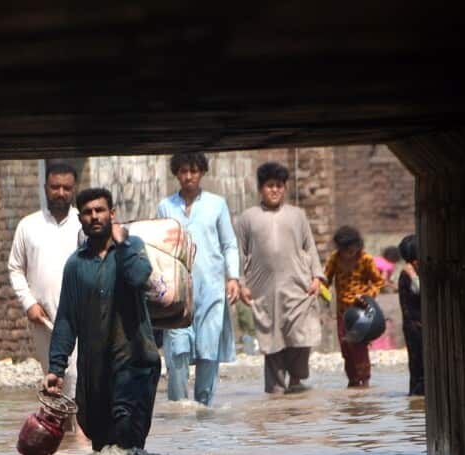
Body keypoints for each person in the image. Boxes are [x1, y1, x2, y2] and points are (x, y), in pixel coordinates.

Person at [44, 188, 162, 452]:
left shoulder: (132, 248)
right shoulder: (75, 265)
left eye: (99, 210)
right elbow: (66, 319)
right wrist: (56, 368)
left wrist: (124, 244)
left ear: (112, 214)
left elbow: (139, 277)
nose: (94, 217)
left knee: (126, 435)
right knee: (101, 446)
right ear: (80, 219)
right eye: (87, 212)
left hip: (135, 363)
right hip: (95, 371)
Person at [234, 162, 326, 394]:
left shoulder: (298, 215)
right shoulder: (247, 218)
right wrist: (241, 283)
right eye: (269, 186)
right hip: (263, 289)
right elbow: (239, 252)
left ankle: (296, 379)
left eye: (278, 186)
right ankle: (275, 387)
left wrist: (317, 276)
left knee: (300, 333)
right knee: (270, 336)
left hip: (297, 284)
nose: (274, 190)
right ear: (261, 189)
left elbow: (310, 247)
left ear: (285, 188)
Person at [157, 151, 240, 406]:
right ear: (176, 174)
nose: (188, 176)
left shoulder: (217, 204)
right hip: (177, 292)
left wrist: (233, 278)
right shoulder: (166, 207)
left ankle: (204, 410)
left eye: (193, 171)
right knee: (177, 352)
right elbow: (158, 245)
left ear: (202, 172)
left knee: (208, 352)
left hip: (212, 290)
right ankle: (178, 410)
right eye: (183, 171)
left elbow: (229, 244)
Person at [8, 161, 82, 382]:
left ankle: (78, 418)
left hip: (79, 319)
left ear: (73, 190)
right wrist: (28, 303)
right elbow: (15, 268)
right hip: (44, 320)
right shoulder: (28, 226)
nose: (61, 193)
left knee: (77, 378)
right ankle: (59, 418)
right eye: (55, 187)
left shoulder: (83, 225)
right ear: (45, 188)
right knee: (52, 378)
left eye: (67, 188)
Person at [324, 225, 385, 387]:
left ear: (359, 245)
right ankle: (352, 381)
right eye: (346, 250)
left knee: (359, 348)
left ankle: (365, 382)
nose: (350, 253)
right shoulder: (334, 259)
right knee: (346, 348)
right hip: (342, 313)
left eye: (353, 249)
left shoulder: (366, 259)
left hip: (360, 313)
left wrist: (367, 296)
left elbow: (379, 282)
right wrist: (321, 294)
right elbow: (325, 281)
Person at [398, 234, 424, 396]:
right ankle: (417, 396)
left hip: (417, 327)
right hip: (415, 328)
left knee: (419, 366)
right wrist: (414, 275)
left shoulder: (411, 272)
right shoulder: (408, 274)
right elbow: (419, 291)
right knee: (418, 366)